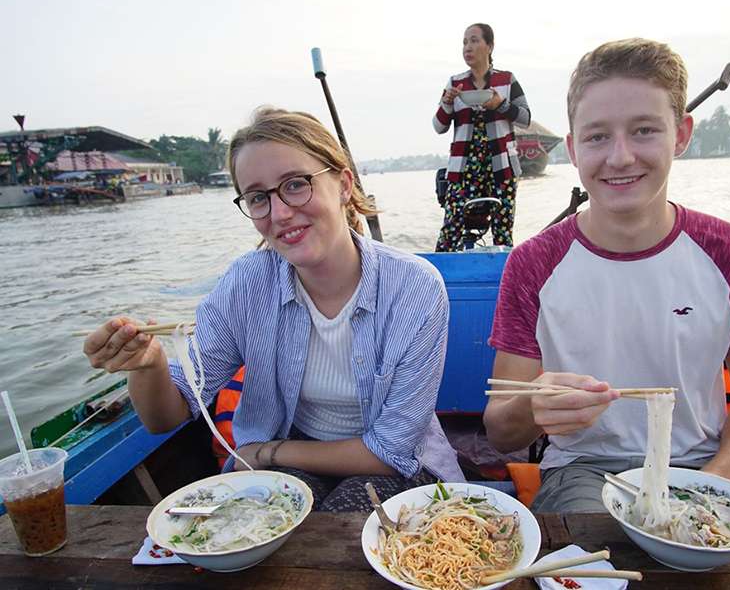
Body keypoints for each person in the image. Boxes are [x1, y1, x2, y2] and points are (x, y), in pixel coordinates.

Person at [83, 108, 464, 511]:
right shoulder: (246, 285)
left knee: (342, 538)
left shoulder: (414, 288)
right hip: (286, 452)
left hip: (391, 466)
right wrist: (148, 365)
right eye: (258, 197)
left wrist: (269, 453)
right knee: (259, 531)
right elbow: (167, 415)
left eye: (296, 185)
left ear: (343, 184)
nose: (280, 213)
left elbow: (390, 451)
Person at [483, 39, 730, 512]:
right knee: (596, 569)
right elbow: (501, 432)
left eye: (645, 130)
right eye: (597, 137)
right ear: (572, 148)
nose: (621, 157)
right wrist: (534, 408)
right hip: (583, 468)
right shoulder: (533, 264)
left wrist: (710, 483)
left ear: (682, 134)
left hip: (702, 463)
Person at [433, 22, 531, 252]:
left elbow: (525, 118)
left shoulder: (506, 80)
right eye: (465, 42)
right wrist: (447, 103)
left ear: (489, 46)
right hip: (464, 168)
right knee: (450, 229)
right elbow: (438, 126)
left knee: (503, 233)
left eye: (474, 40)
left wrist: (501, 105)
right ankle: (439, 280)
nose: (468, 47)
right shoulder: (455, 83)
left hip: (502, 167)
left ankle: (505, 281)